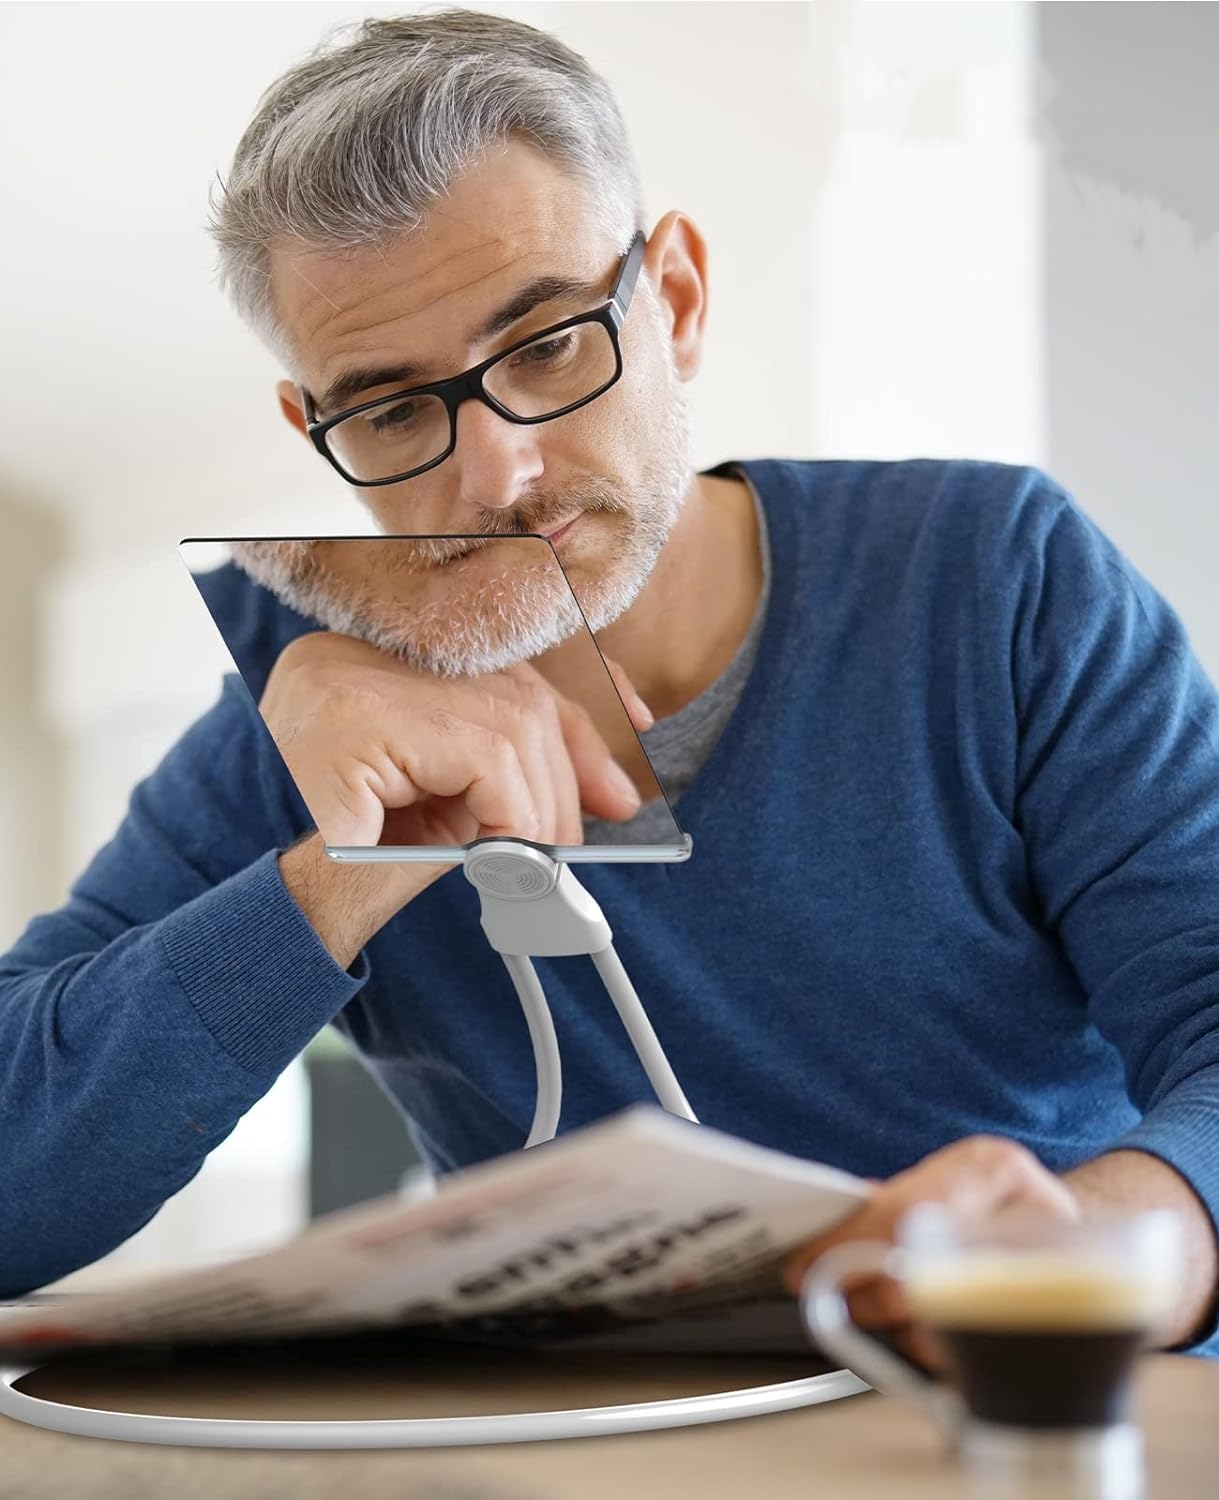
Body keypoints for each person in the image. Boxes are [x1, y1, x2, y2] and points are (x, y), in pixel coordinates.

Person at [3, 10, 1218, 1365]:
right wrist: (339, 873)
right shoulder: (304, 697)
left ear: (678, 301)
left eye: (548, 347)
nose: (497, 476)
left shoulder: (995, 581)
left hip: (1026, 1418)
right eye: (395, 411)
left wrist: (1136, 1233)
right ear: (317, 430)